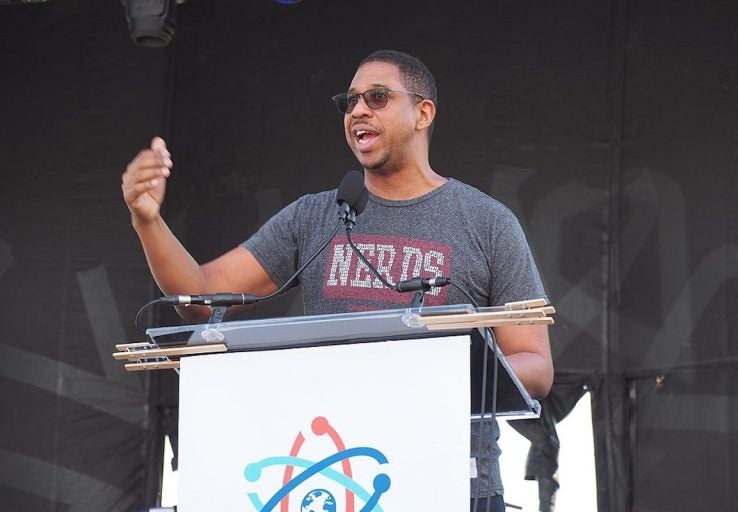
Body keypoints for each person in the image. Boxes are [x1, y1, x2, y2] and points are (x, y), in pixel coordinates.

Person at [122, 49, 553, 512]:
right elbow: (202, 300)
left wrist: (433, 373)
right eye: (349, 102)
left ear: (423, 112)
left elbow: (535, 366)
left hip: (452, 483)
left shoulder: (487, 222)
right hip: (338, 481)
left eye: (378, 97)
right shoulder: (316, 216)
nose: (358, 110)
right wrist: (148, 221)